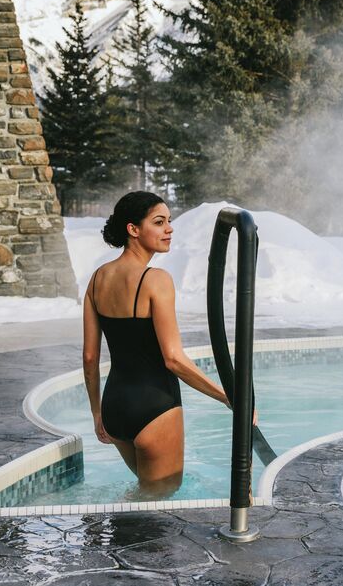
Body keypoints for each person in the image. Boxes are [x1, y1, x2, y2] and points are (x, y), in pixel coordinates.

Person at [82, 191, 242, 496]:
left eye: (169, 221)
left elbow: (90, 357)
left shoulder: (97, 279)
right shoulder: (156, 279)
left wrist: (97, 414)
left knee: (144, 493)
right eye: (159, 222)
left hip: (115, 406)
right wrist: (227, 397)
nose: (169, 228)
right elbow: (173, 359)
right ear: (133, 229)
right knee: (159, 499)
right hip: (154, 406)